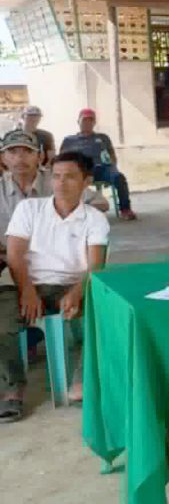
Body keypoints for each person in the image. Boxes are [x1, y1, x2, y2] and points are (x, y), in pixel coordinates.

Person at [0, 151, 110, 421]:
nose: (61, 183)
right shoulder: (30, 209)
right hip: (24, 282)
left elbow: (95, 266)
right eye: (57, 176)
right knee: (2, 323)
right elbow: (14, 255)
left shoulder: (95, 219)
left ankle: (80, 381)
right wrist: (27, 291)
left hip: (70, 284)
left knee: (105, 313)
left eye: (70, 177)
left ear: (86, 181)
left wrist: (76, 291)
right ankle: (13, 388)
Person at [0, 130, 108, 274]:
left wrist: (63, 214)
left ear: (40, 156)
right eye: (12, 152)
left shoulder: (58, 179)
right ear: (3, 159)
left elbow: (101, 203)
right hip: (9, 257)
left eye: (28, 151)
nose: (20, 158)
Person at [60, 109, 137, 221]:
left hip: (101, 169)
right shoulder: (69, 140)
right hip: (80, 171)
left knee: (119, 178)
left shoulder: (102, 138)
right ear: (78, 122)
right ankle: (71, 211)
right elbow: (62, 160)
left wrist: (113, 168)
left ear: (94, 123)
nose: (87, 123)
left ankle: (125, 209)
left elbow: (111, 156)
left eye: (90, 120)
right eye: (84, 120)